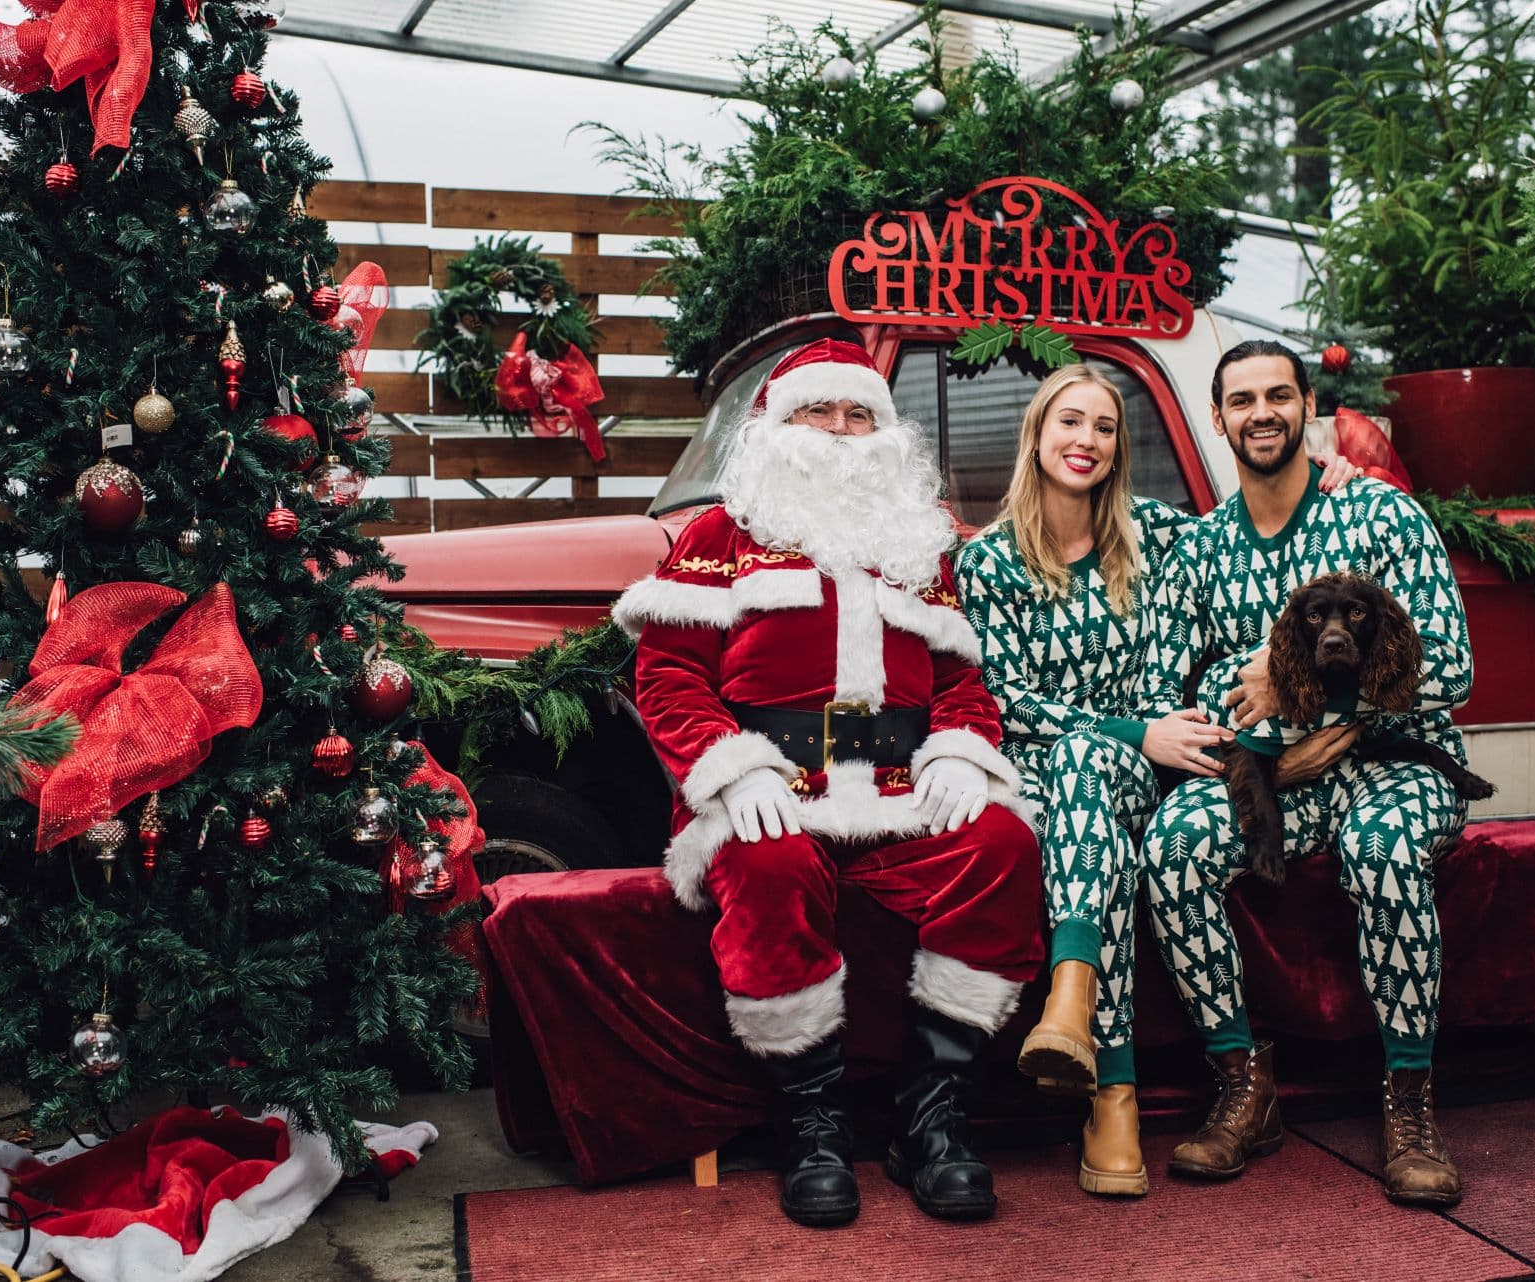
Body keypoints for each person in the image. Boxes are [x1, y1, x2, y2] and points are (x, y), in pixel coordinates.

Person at [613, 338, 1043, 1230]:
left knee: (1001, 846)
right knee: (768, 865)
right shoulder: (719, 538)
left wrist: (961, 750)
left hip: (898, 791)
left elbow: (961, 682)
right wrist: (727, 772)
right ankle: (808, 1119)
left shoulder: (919, 543)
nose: (843, 432)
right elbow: (668, 677)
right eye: (822, 412)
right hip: (770, 786)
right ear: (780, 425)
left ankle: (930, 1112)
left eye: (861, 415)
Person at [956, 364, 1358, 1198]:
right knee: (1079, 775)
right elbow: (1004, 701)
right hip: (1046, 774)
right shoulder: (990, 561)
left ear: (1118, 448)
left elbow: (1260, 542)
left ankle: (1081, 1022)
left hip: (1149, 769)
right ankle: (1112, 1087)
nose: (1086, 442)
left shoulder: (1161, 535)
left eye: (1104, 428)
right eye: (1070, 423)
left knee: (1092, 780)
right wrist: (1132, 731)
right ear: (1037, 435)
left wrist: (1333, 476)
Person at [1136, 339, 1475, 1207]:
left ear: (1308, 406)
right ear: (1217, 420)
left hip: (1396, 757)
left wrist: (1313, 706)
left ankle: (1410, 1101)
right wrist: (1271, 736)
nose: (1261, 414)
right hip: (1273, 775)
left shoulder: (1381, 518)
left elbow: (1452, 667)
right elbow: (1164, 690)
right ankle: (1244, 1086)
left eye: (1278, 396)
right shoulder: (1198, 551)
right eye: (1241, 400)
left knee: (1382, 848)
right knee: (1173, 846)